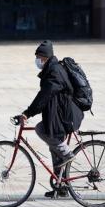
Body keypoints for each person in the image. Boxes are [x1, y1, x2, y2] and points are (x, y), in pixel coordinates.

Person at [16, 40, 84, 197]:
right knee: (54, 146)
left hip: (65, 116)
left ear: (44, 58)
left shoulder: (54, 72)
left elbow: (44, 96)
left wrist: (28, 113)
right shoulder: (51, 69)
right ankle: (61, 187)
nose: (37, 61)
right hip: (59, 115)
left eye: (38, 57)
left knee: (41, 130)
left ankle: (68, 154)